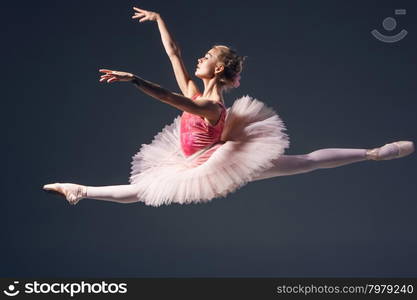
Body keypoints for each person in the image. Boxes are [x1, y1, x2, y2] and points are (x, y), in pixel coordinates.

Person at [43, 6, 414, 206]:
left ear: (218, 68)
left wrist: (135, 80)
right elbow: (174, 54)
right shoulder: (195, 89)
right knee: (145, 189)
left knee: (306, 163)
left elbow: (168, 97)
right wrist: (159, 19)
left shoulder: (211, 106)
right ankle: (80, 190)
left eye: (207, 56)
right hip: (197, 159)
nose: (199, 59)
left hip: (220, 163)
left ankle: (372, 153)